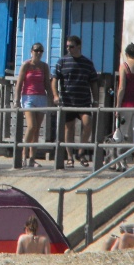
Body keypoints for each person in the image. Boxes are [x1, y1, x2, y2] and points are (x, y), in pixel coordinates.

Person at [51, 34, 99, 168]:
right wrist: (55, 96)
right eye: (67, 46)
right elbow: (54, 80)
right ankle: (70, 157)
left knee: (87, 123)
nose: (69, 49)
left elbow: (94, 83)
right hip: (67, 101)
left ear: (78, 46)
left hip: (83, 100)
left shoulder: (88, 63)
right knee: (69, 128)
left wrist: (96, 100)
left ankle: (81, 152)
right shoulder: (62, 62)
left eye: (71, 46)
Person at [14, 43, 53, 168]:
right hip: (28, 97)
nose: (39, 52)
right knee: (32, 126)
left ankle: (32, 158)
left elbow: (47, 83)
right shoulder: (26, 65)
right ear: (31, 51)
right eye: (36, 50)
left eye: (41, 50)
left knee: (36, 130)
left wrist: (51, 99)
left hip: (41, 97)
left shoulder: (44, 66)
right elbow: (19, 83)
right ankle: (22, 155)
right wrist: (16, 99)